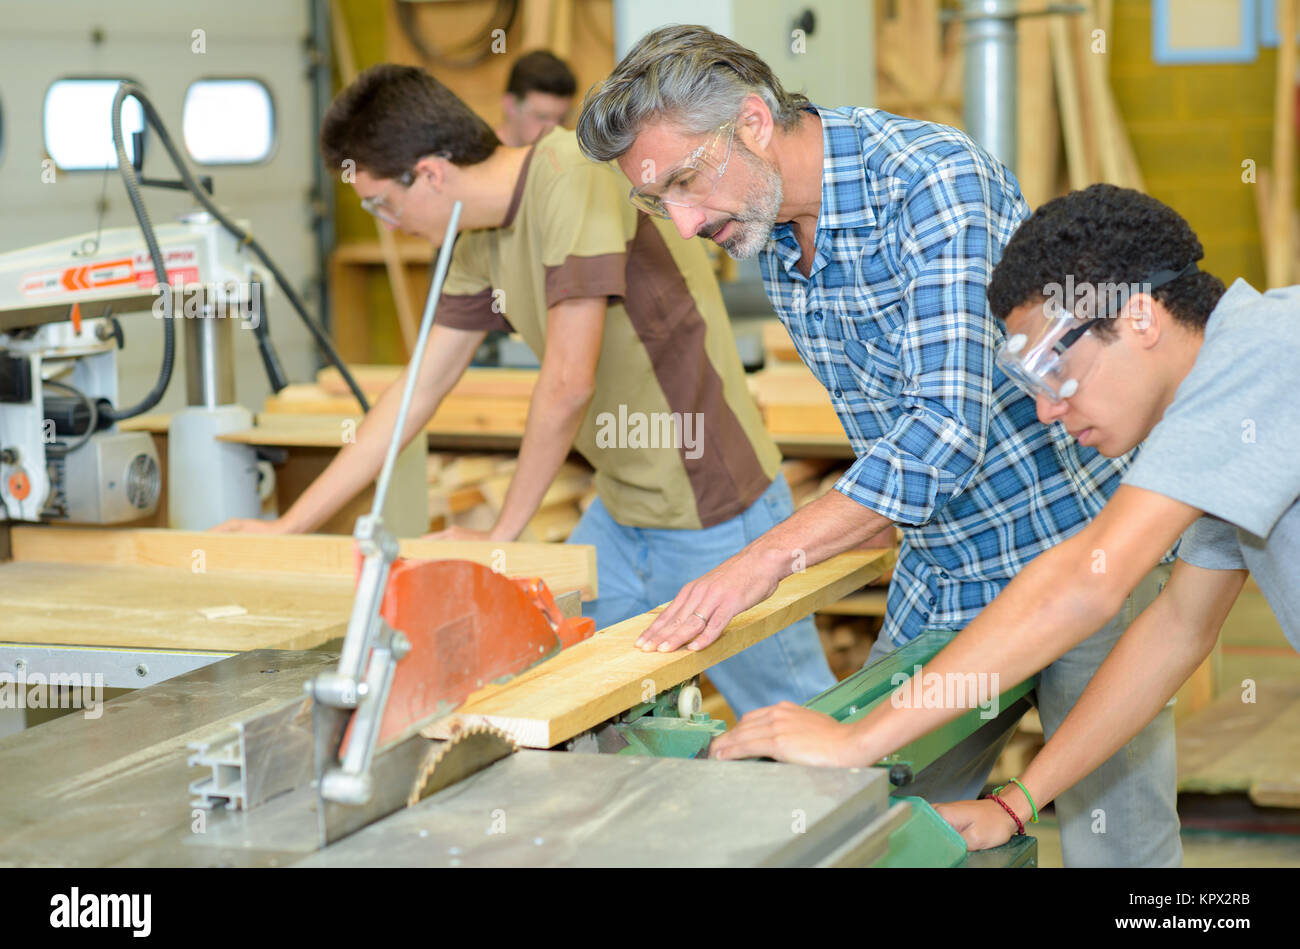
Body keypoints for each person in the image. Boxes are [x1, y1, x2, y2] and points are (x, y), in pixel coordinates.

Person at [576, 24, 1180, 865]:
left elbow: (942, 431)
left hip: (1082, 554)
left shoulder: (931, 184)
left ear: (753, 121)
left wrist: (766, 556)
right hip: (946, 575)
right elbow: (891, 439)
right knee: (865, 822)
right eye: (656, 203)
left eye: (683, 181)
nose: (681, 223)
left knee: (1120, 843)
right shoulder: (774, 240)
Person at [212, 63, 835, 718]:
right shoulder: (476, 238)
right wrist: (287, 527)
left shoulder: (573, 173)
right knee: (562, 697)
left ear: (428, 173)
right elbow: (414, 393)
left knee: (799, 716)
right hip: (623, 514)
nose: (386, 223)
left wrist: (504, 531)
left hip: (719, 511)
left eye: (380, 203)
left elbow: (568, 382)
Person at [712, 185, 1299, 854]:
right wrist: (1020, 801)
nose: (1048, 409)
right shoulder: (1216, 432)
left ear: (1139, 318)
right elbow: (1175, 629)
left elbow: (1085, 581)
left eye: (1057, 368)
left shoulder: (1264, 353)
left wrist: (856, 740)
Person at [496, 50, 576, 147]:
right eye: (542, 116)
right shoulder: (478, 160)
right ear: (510, 105)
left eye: (562, 119)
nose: (555, 131)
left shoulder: (559, 158)